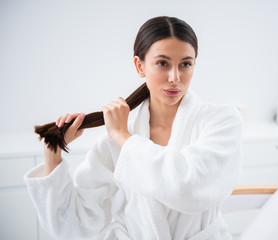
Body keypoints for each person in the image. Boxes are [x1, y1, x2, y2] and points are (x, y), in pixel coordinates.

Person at [24, 16, 243, 240]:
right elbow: (73, 226)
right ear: (140, 66)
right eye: (162, 63)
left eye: (185, 64)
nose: (175, 77)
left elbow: (188, 189)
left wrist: (124, 138)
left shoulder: (221, 121)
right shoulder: (114, 142)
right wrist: (53, 153)